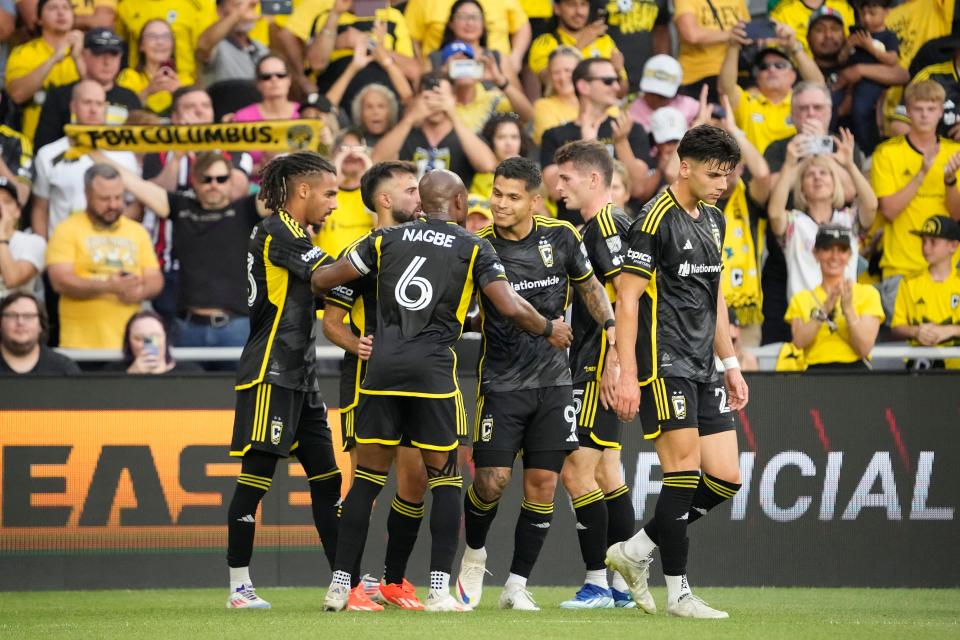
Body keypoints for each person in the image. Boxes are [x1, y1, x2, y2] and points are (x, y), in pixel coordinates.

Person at [311, 169, 572, 613]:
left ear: (422, 202)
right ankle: (437, 590)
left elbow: (323, 281)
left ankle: (339, 587)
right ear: (455, 205)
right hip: (432, 376)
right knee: (446, 481)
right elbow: (507, 305)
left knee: (367, 483)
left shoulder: (384, 241)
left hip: (380, 373)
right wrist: (550, 327)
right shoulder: (474, 246)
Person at [455, 157, 612, 611]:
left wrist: (612, 329)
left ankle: (516, 584)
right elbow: (460, 307)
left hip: (553, 382)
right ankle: (475, 554)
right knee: (492, 480)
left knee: (543, 483)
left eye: (511, 197)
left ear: (534, 200)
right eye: (496, 195)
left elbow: (590, 287)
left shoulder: (561, 237)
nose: (500, 204)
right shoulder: (477, 245)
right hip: (501, 383)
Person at [607, 124, 748, 619]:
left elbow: (715, 298)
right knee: (683, 475)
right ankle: (679, 595)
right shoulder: (653, 218)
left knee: (727, 476)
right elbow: (626, 299)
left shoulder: (713, 219)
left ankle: (636, 549)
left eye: (728, 175)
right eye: (714, 174)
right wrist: (625, 372)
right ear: (683, 166)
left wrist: (729, 362)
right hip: (663, 363)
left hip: (704, 364)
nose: (722, 184)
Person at [225, 152, 342, 609]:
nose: (334, 203)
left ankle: (344, 581)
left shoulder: (295, 235)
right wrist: (380, 257)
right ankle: (239, 586)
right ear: (304, 190)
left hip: (301, 374)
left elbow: (325, 286)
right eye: (330, 193)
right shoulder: (280, 231)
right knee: (255, 480)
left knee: (328, 480)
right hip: (270, 371)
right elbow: (333, 277)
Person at [322, 160, 428, 610]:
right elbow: (331, 323)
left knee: (416, 479)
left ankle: (393, 580)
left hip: (415, 381)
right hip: (366, 381)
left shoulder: (426, 247)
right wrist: (356, 344)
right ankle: (347, 583)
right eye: (409, 190)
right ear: (384, 200)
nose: (418, 197)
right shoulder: (361, 251)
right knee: (365, 479)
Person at [551, 141, 638, 609]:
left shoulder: (604, 225)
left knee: (575, 473)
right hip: (594, 358)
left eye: (565, 178)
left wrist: (614, 362)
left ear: (593, 179)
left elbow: (626, 296)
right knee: (608, 472)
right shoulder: (604, 225)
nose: (558, 186)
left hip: (594, 364)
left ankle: (597, 583)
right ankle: (623, 586)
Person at [93, 150, 264, 350]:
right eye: (206, 179)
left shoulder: (247, 209)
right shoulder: (181, 207)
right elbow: (134, 184)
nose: (214, 185)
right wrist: (91, 151)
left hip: (237, 327)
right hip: (187, 326)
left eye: (221, 178)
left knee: (241, 383)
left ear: (231, 181)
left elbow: (290, 189)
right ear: (194, 181)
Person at [140, 86, 252, 325]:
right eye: (191, 107)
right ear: (176, 117)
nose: (200, 112)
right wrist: (178, 156)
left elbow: (235, 191)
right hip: (168, 263)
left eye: (205, 106)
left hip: (217, 263)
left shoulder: (231, 147)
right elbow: (157, 194)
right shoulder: (159, 152)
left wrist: (206, 152)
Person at [45, 164, 162, 350]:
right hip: (80, 345)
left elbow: (155, 279)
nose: (113, 205)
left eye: (118, 197)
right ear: (86, 194)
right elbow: (60, 281)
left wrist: (140, 292)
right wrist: (109, 286)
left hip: (131, 346)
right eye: (104, 199)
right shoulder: (66, 230)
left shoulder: (137, 231)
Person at [871, 80, 960, 320]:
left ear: (941, 112)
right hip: (901, 269)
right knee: (906, 348)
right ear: (908, 111)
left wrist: (950, 180)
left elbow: (957, 215)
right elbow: (889, 210)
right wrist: (921, 174)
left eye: (931, 109)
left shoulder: (955, 153)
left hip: (950, 271)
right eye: (918, 109)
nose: (924, 115)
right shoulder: (887, 153)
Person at [541, 57, 656, 225]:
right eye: (608, 81)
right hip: (574, 232)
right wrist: (588, 143)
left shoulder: (629, 129)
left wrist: (621, 142)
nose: (617, 87)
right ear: (583, 86)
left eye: (617, 80)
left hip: (623, 231)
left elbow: (639, 188)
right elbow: (554, 190)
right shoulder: (555, 134)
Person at [767, 127, 876, 302]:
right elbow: (774, 214)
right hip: (804, 317)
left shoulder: (848, 219)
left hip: (845, 315)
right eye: (810, 175)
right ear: (801, 188)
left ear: (835, 185)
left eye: (824, 173)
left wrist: (850, 165)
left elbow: (871, 207)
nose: (817, 178)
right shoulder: (794, 223)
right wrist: (788, 164)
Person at [31, 80, 140, 240]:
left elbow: (136, 206)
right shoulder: (48, 154)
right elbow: (40, 209)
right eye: (87, 102)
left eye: (99, 104)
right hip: (64, 253)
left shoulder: (126, 155)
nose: (93, 109)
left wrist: (108, 230)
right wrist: (46, 253)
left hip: (111, 250)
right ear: (73, 106)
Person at [372, 72, 497, 191]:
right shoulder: (405, 132)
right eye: (428, 97)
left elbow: (487, 165)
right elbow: (376, 160)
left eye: (440, 97)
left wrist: (454, 115)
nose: (434, 103)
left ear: (453, 99)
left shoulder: (465, 135)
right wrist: (410, 119)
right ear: (417, 99)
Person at [785, 225, 884, 371]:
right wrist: (824, 309)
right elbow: (799, 342)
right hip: (815, 376)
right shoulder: (801, 298)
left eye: (842, 250)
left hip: (856, 373)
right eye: (827, 249)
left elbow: (863, 348)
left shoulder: (868, 294)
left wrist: (848, 309)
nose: (834, 256)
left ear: (850, 254)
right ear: (815, 253)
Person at [721, 23, 825, 154]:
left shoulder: (801, 102)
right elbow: (725, 89)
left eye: (779, 65)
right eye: (764, 67)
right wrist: (733, 47)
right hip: (754, 173)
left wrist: (794, 47)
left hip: (795, 170)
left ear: (793, 75)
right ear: (757, 77)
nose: (771, 69)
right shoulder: (746, 100)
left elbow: (819, 86)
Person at [34, 27, 142, 151]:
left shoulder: (130, 98)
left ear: (120, 57)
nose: (107, 61)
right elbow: (43, 148)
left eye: (113, 54)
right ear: (84, 55)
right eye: (99, 54)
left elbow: (140, 149)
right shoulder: (60, 96)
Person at [311, 0, 416, 115]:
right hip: (338, 104)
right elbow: (316, 64)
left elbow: (413, 70)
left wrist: (369, 44)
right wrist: (335, 14)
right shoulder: (328, 18)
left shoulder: (392, 16)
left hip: (385, 102)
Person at [6, 0, 83, 146]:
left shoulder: (87, 52)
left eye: (66, 8)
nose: (61, 13)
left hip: (80, 139)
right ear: (39, 19)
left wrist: (78, 58)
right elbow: (17, 94)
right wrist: (53, 59)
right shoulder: (24, 53)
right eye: (53, 8)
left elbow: (105, 93)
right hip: (35, 141)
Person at [891, 215, 960, 370]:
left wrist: (951, 330)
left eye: (933, 242)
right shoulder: (909, 282)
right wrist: (917, 332)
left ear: (953, 246)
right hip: (920, 363)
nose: (925, 247)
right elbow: (897, 326)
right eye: (923, 241)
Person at [834, 0, 901, 154]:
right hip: (849, 82)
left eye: (872, 13)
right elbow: (841, 60)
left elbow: (892, 60)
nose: (867, 18)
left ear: (886, 12)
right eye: (863, 13)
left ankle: (868, 149)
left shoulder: (889, 36)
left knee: (860, 110)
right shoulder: (857, 34)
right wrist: (848, 46)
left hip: (873, 82)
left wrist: (870, 47)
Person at [404, 0, 531, 71]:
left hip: (496, 69)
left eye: (475, 18)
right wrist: (424, 69)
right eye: (462, 17)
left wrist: (515, 59)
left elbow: (521, 26)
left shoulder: (500, 60)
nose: (469, 23)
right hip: (440, 69)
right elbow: (412, 38)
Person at [115, 0, 216, 86]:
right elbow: (120, 40)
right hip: (138, 83)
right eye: (152, 36)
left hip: (187, 82)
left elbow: (205, 49)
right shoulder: (126, 5)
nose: (160, 42)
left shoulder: (199, 3)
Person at [439, 40, 532, 132]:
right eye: (457, 65)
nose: (464, 70)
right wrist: (443, 78)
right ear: (445, 70)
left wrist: (500, 80)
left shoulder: (493, 99)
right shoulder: (439, 103)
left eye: (468, 64)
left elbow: (529, 117)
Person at [527, 0, 625, 87]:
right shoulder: (544, 43)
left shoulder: (604, 40)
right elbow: (548, 82)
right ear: (556, 8)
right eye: (572, 4)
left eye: (583, 4)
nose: (579, 12)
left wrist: (618, 73)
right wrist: (581, 43)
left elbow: (622, 92)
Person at [315, 130, 375, 259]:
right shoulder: (321, 192)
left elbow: (384, 228)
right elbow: (311, 232)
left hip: (366, 273)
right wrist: (334, 177)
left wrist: (371, 175)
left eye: (357, 149)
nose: (351, 155)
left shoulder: (373, 193)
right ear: (334, 153)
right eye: (344, 148)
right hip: (328, 270)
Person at [672, 0, 748, 101]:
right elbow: (691, 35)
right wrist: (730, 35)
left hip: (737, 72)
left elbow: (747, 30)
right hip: (700, 75)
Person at [116, 19, 190, 116]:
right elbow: (120, 110)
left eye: (166, 37)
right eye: (152, 37)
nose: (160, 42)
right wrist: (148, 91)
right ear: (141, 45)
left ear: (173, 46)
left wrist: (179, 92)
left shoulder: (185, 79)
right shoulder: (129, 76)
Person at [0, 292, 80, 375]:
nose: (20, 322)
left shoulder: (63, 368)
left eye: (28, 316)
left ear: (40, 325)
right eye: (12, 316)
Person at [195, 0, 269, 87]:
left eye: (251, 7)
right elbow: (203, 46)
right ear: (220, 11)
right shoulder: (217, 46)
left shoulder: (261, 49)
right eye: (238, 4)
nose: (246, 10)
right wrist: (237, 14)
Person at [0, 177, 46, 300]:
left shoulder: (34, 242)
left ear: (18, 211)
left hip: (15, 316)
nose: (0, 208)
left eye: (7, 201)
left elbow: (12, 279)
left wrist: (1, 236)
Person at [115, 310, 201, 374]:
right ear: (129, 342)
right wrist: (132, 374)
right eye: (139, 338)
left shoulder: (189, 372)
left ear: (165, 339)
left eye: (155, 337)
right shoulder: (114, 373)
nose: (148, 344)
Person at [628, 55, 699, 132]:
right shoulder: (634, 110)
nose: (655, 100)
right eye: (651, 93)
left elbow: (709, 117)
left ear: (676, 93)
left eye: (661, 96)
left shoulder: (687, 105)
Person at [469, 112, 531, 200]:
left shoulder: (533, 175)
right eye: (501, 137)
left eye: (514, 137)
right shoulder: (480, 179)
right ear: (491, 142)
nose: (509, 143)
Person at [531, 46, 582, 146]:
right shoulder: (543, 106)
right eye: (556, 72)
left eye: (568, 71)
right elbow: (552, 144)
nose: (562, 78)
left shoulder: (601, 103)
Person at [770, 0, 855, 58]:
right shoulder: (782, 12)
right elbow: (774, 54)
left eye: (834, 28)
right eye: (819, 29)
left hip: (844, 67)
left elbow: (853, 40)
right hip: (801, 76)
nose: (828, 35)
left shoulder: (843, 5)